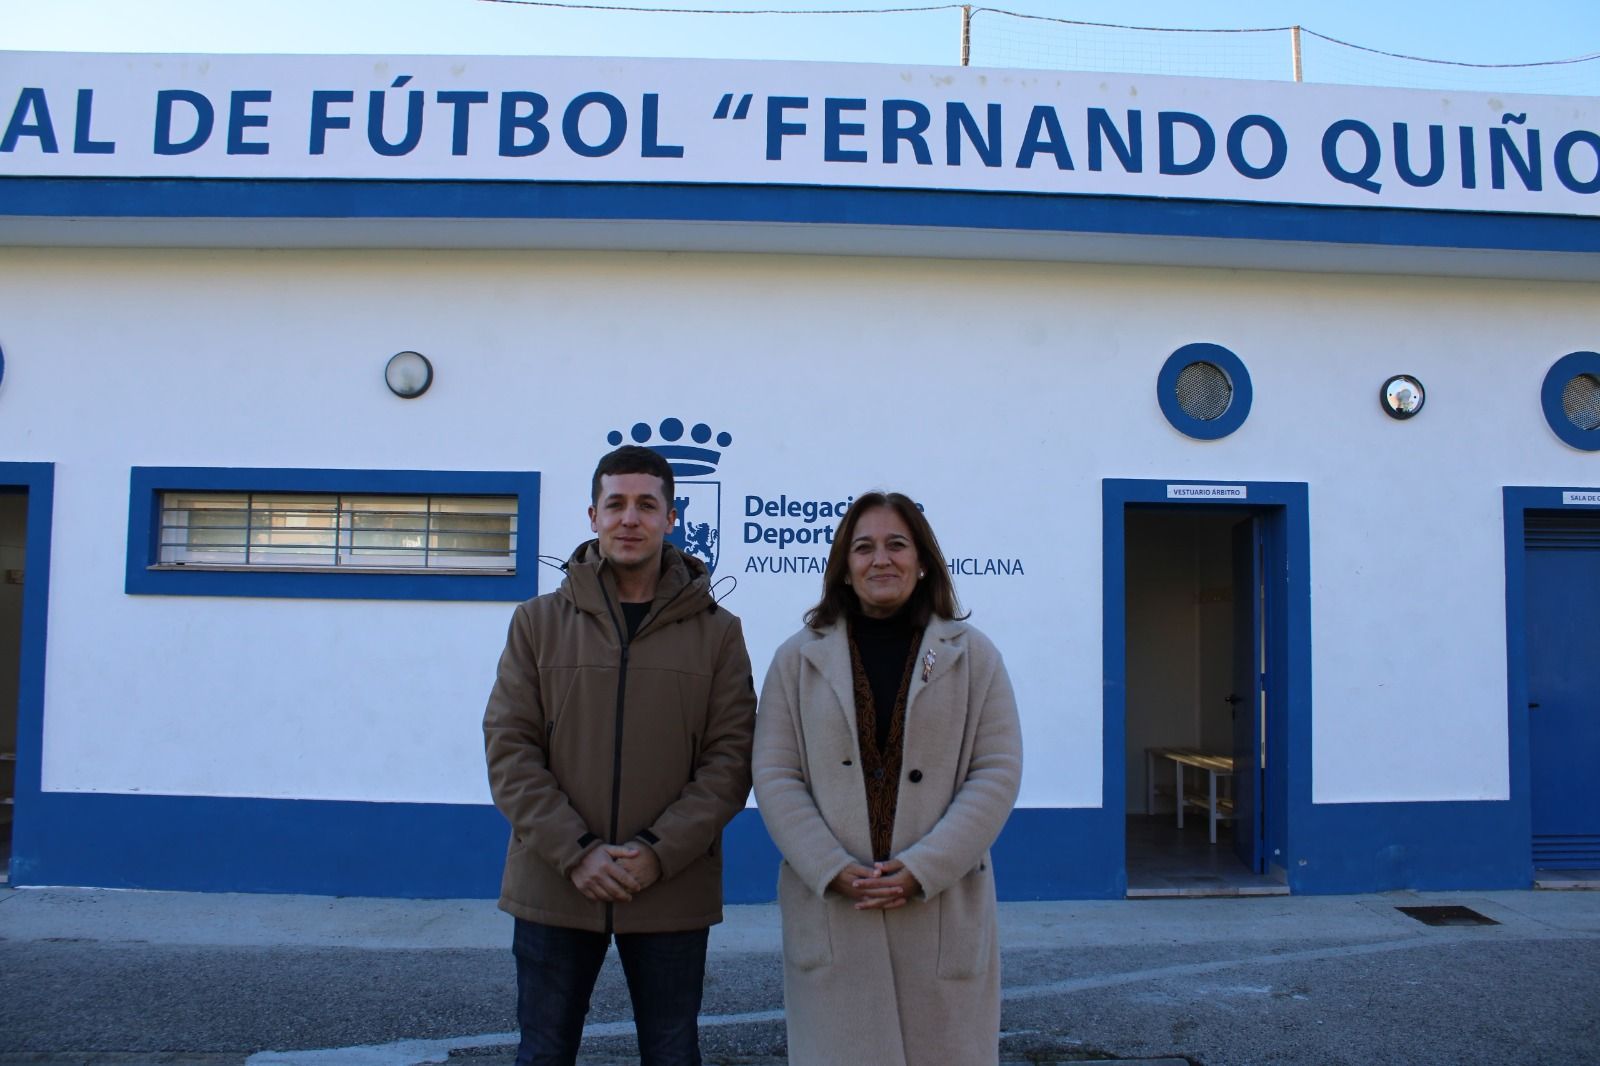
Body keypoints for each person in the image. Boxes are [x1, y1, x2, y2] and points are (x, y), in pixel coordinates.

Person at [483, 445, 756, 1066]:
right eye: (616, 504)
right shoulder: (537, 622)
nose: (629, 519)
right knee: (544, 1052)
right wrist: (576, 853)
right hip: (556, 880)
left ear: (671, 517)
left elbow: (731, 758)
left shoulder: (719, 631)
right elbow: (510, 748)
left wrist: (656, 854)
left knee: (671, 1052)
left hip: (669, 886)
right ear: (592, 515)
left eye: (646, 505)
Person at [753, 491, 1023, 1066]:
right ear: (844, 568)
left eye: (897, 544)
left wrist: (925, 868)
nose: (882, 559)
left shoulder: (974, 656)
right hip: (835, 909)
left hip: (939, 909)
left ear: (923, 560)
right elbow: (775, 775)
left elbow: (996, 771)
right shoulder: (795, 661)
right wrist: (830, 867)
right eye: (864, 547)